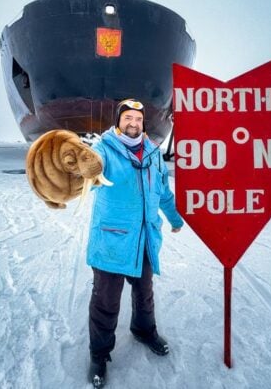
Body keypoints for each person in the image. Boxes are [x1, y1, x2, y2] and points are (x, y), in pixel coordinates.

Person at [86, 98, 184, 388]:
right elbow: (89, 172)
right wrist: (78, 169)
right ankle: (99, 355)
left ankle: (144, 330)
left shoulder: (153, 154)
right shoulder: (103, 149)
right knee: (105, 301)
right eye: (127, 118)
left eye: (138, 119)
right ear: (119, 121)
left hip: (144, 238)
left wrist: (175, 219)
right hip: (112, 240)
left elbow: (164, 193)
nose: (133, 123)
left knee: (144, 292)